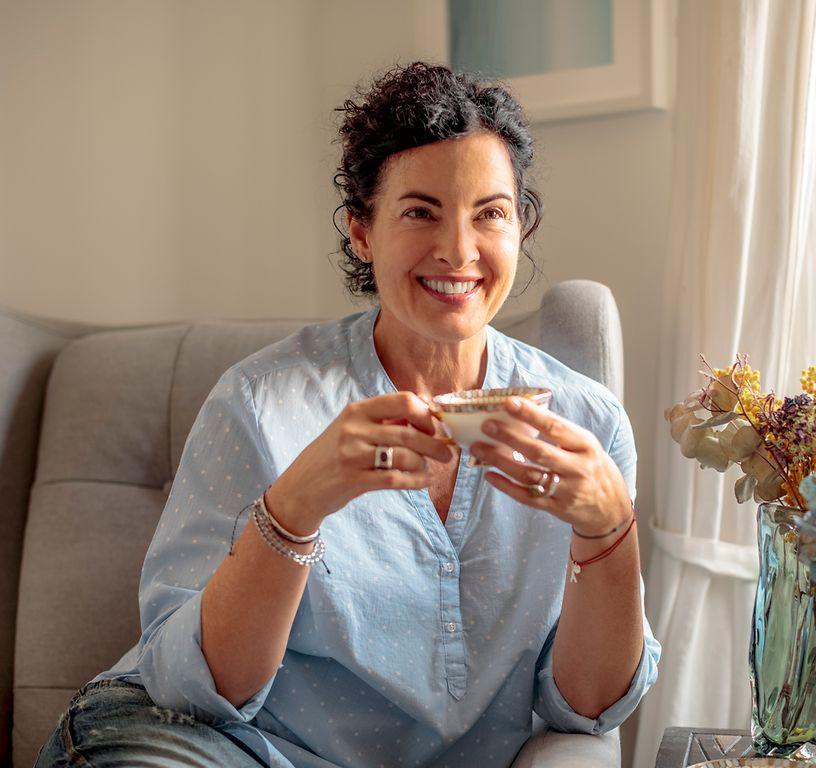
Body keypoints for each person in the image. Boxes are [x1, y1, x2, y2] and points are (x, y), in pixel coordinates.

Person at [36, 60, 660, 768]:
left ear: (522, 227)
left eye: (490, 213)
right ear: (361, 231)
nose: (458, 249)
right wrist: (297, 504)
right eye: (420, 212)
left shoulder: (589, 422)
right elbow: (195, 692)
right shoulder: (261, 403)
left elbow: (588, 704)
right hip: (204, 747)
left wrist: (610, 529)